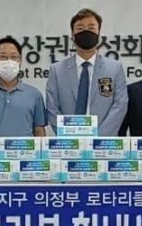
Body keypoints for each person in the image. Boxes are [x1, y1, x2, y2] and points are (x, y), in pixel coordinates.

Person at [46, 8, 128, 136]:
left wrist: (98, 138)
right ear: (72, 35)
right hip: (69, 142)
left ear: (99, 33)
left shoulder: (115, 68)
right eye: (80, 28)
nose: (86, 32)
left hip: (104, 142)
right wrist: (70, 137)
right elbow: (52, 108)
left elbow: (120, 105)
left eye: (91, 28)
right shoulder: (56, 70)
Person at [0, 37, 47, 137]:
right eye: (3, 57)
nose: (9, 62)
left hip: (25, 148)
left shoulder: (34, 94)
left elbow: (39, 131)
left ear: (20, 61)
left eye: (14, 57)